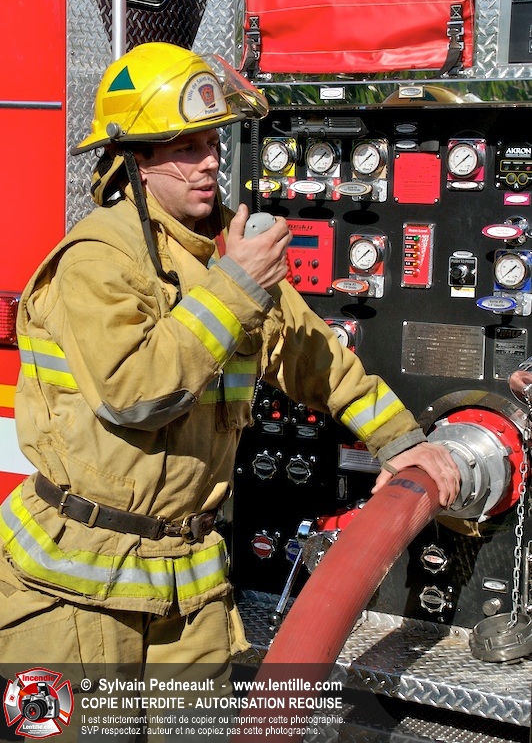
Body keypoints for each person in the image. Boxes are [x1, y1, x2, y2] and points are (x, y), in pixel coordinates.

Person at [0, 43, 460, 682]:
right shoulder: (97, 261)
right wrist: (236, 288)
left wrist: (401, 442)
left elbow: (313, 355)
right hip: (77, 587)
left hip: (188, 585)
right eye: (185, 147)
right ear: (135, 160)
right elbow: (135, 394)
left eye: (213, 143)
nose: (210, 161)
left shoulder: (225, 250)